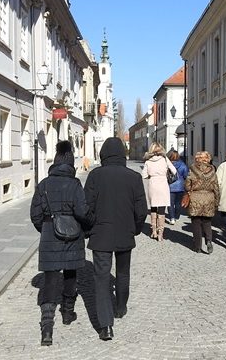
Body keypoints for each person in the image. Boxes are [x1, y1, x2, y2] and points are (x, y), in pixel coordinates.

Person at [29, 140, 94, 346]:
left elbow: (35, 214)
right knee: (71, 274)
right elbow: (82, 212)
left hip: (49, 235)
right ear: (70, 164)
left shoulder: (44, 184)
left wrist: (47, 228)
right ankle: (67, 313)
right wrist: (86, 226)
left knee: (49, 280)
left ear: (55, 162)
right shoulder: (75, 184)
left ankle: (47, 327)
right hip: (72, 235)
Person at [84, 137, 147, 341]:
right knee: (123, 273)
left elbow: (87, 207)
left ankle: (105, 325)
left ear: (103, 154)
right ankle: (120, 307)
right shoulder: (134, 177)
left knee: (101, 279)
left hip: (101, 234)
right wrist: (135, 229)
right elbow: (141, 211)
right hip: (125, 232)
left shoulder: (95, 176)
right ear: (122, 154)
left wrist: (91, 227)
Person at [185, 151, 220, 254]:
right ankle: (208, 240)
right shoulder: (212, 170)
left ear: (197, 159)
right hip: (209, 197)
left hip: (196, 197)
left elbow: (187, 185)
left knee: (196, 222)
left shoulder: (192, 169)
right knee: (207, 222)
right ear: (208, 159)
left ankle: (197, 246)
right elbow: (216, 187)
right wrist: (216, 202)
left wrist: (189, 189)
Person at [141, 142, 178, 240]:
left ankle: (153, 231)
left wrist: (152, 175)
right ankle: (160, 233)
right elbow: (174, 171)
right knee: (161, 209)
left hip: (153, 185)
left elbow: (144, 175)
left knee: (153, 208)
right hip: (163, 185)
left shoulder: (148, 161)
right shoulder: (165, 159)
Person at [166, 150, 189, 225]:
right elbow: (186, 175)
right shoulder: (183, 165)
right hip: (180, 186)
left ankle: (172, 218)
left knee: (170, 203)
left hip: (170, 186)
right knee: (178, 203)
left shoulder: (167, 164)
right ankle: (177, 216)